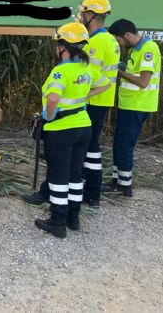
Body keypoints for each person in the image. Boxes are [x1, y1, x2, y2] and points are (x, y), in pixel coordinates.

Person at [22, 0, 120, 208]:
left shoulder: (95, 42)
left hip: (83, 105)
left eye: (83, 13)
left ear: (91, 14)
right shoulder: (110, 39)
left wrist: (51, 114)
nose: (81, 17)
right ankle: (88, 195)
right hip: (95, 102)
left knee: (64, 154)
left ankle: (56, 195)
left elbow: (79, 76)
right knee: (89, 151)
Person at [35, 23, 109, 238]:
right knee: (75, 174)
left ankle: (57, 222)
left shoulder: (61, 70)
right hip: (83, 126)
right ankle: (73, 218)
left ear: (63, 46)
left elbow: (53, 98)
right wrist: (84, 97)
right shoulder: (87, 68)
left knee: (58, 175)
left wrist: (48, 116)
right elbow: (105, 84)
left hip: (61, 128)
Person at [103, 19, 161, 197]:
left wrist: (118, 72)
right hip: (129, 104)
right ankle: (116, 180)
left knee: (125, 145)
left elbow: (143, 82)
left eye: (119, 41)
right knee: (119, 143)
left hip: (137, 105)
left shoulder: (148, 50)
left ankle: (124, 186)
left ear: (127, 35)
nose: (120, 44)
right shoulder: (136, 49)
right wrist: (121, 66)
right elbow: (133, 70)